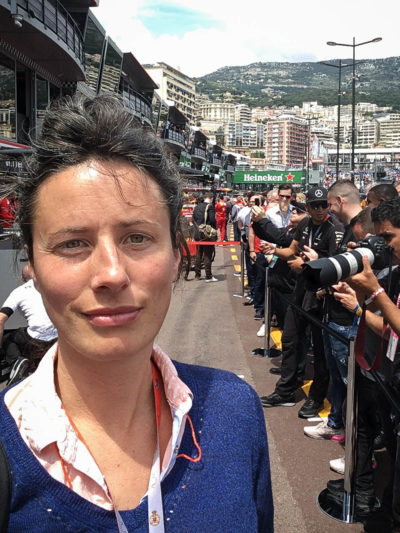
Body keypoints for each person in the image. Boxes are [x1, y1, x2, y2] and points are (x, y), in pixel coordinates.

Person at [0, 95, 273, 532]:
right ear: (30, 265)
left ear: (176, 254)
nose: (110, 274)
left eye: (137, 239)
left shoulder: (233, 411)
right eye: (73, 243)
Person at [259, 187, 344, 418]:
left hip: (319, 295)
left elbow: (336, 264)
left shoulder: (334, 229)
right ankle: (286, 390)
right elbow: (292, 250)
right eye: (314, 205)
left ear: (328, 205)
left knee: (320, 349)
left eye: (323, 205)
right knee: (290, 340)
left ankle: (316, 396)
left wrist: (306, 266)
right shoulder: (304, 224)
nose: (319, 209)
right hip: (300, 291)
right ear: (306, 207)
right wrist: (275, 249)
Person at [0, 265, 57, 379]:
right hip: (58, 340)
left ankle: (17, 362)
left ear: (22, 279)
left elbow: (1, 319)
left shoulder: (19, 292)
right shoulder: (54, 286)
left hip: (35, 341)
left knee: (8, 337)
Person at [192, 192, 218, 282]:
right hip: (206, 234)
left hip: (198, 233)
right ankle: (208, 276)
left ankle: (197, 275)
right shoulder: (210, 207)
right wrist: (214, 230)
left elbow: (194, 219)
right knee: (208, 255)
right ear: (211, 198)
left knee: (198, 254)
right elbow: (212, 220)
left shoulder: (197, 207)